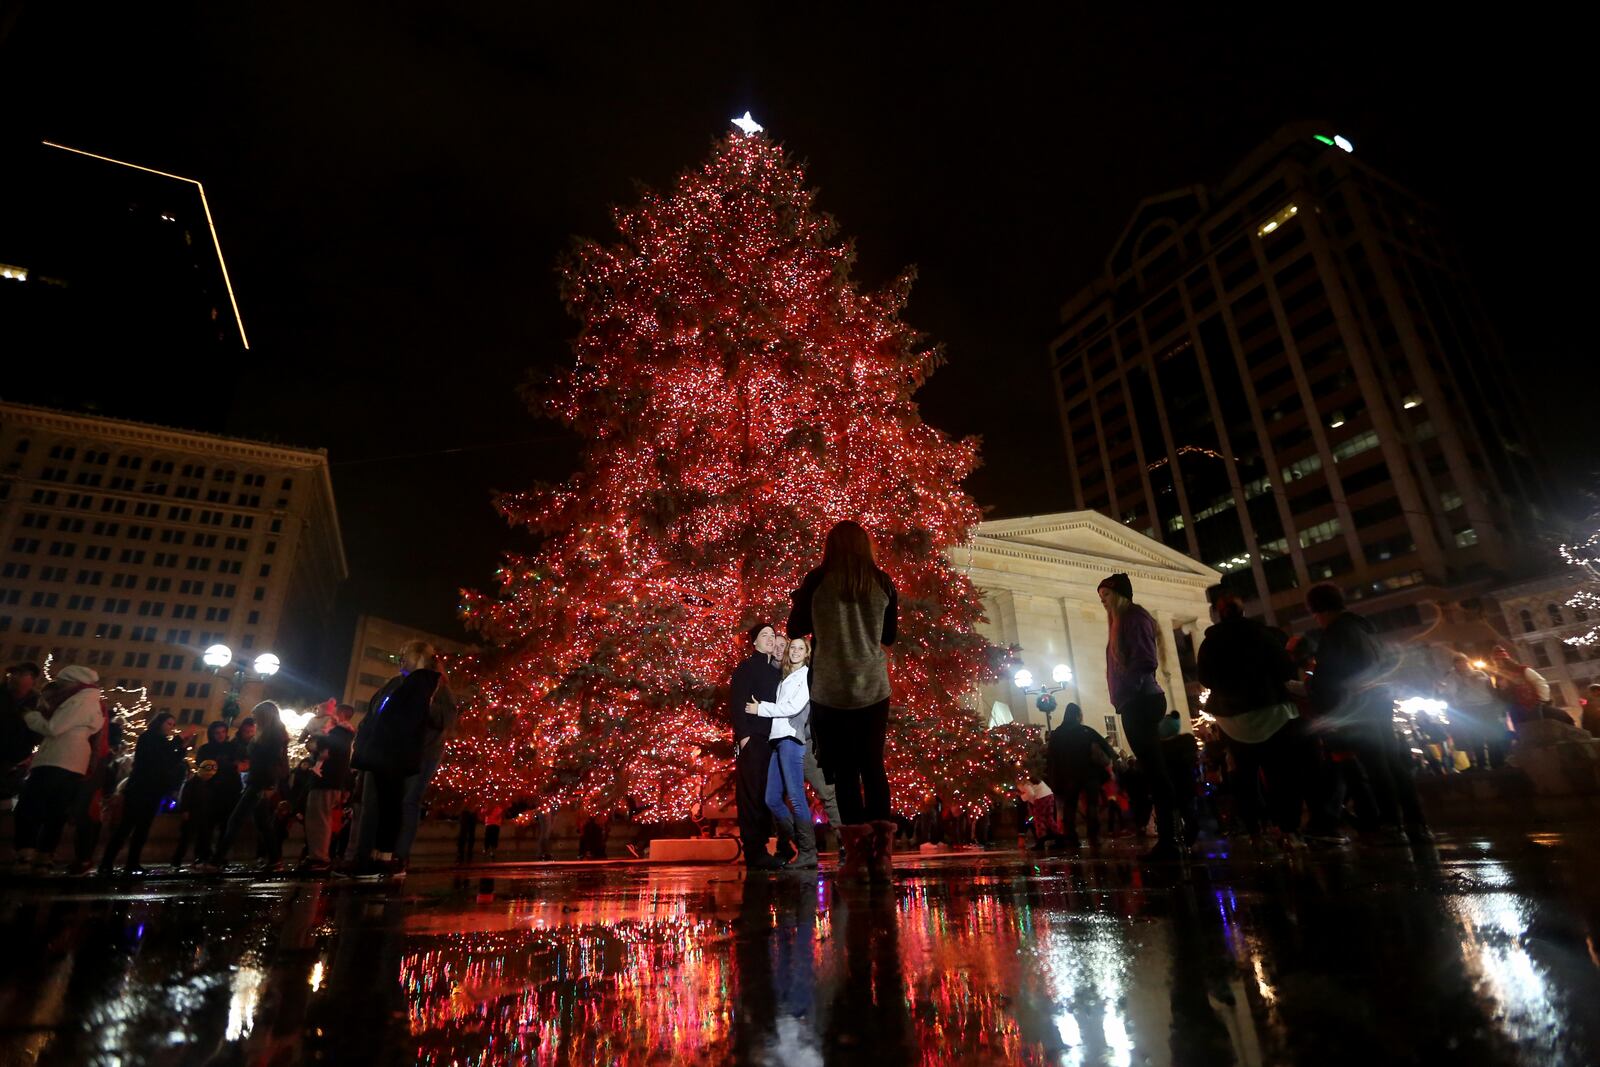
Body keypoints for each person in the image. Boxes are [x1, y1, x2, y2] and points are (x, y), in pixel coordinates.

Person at [787, 520, 899, 881]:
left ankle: (856, 856)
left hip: (830, 690)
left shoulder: (817, 581)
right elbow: (889, 636)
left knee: (845, 772)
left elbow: (794, 628)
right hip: (872, 687)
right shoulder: (882, 582)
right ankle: (882, 854)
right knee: (873, 766)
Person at [1304, 583, 1431, 845]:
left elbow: (1327, 678)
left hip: (1358, 707)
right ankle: (1416, 822)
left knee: (1376, 765)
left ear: (1318, 610)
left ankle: (1391, 824)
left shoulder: (1335, 634)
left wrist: (1318, 696)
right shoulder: (1364, 629)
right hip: (1379, 702)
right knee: (1393, 761)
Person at [1197, 587, 1305, 847]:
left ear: (1218, 614)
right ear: (1242, 609)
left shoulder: (1211, 642)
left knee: (1245, 778)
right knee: (1280, 774)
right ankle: (1289, 829)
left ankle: (1256, 831)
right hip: (1271, 711)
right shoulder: (1263, 634)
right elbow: (1286, 668)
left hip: (1234, 719)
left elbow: (1205, 678)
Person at [1098, 572, 1183, 860]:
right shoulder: (1123, 621)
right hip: (1135, 700)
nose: (1103, 602)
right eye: (1100, 598)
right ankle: (1173, 833)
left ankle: (1170, 838)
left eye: (1106, 596)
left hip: (1140, 700)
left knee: (1155, 771)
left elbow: (1145, 659)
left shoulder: (1133, 618)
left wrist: (1129, 691)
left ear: (1119, 595)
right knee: (1154, 769)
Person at [349, 640, 443, 877]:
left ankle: (391, 858)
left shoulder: (430, 685)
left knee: (399, 804)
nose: (400, 659)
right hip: (381, 752)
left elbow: (440, 721)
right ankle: (366, 857)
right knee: (372, 804)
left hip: (402, 754)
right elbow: (374, 716)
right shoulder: (394, 684)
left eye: (405, 655)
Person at [11, 665, 105, 872]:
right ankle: (44, 856)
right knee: (55, 811)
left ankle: (26, 854)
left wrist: (30, 717)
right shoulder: (92, 701)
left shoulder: (79, 700)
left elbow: (54, 728)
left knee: (29, 806)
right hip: (73, 761)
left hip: (57, 758)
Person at [747, 635, 820, 869]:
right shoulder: (786, 678)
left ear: (807, 653)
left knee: (797, 798)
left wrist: (761, 709)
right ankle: (802, 842)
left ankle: (808, 851)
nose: (796, 651)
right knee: (771, 799)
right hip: (777, 740)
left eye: (801, 648)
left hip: (791, 739)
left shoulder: (806, 676)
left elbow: (793, 708)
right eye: (793, 648)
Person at [98, 711, 187, 876]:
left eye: (173, 725)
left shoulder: (160, 741)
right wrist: (177, 743)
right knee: (126, 827)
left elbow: (168, 762)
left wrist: (180, 749)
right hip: (140, 789)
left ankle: (131, 862)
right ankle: (107, 862)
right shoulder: (149, 738)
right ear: (159, 723)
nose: (171, 727)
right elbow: (157, 760)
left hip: (153, 790)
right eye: (169, 723)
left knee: (142, 829)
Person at [210, 701, 291, 870]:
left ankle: (217, 860)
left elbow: (270, 763)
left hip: (258, 783)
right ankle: (275, 860)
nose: (254, 721)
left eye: (256, 717)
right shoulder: (271, 735)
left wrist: (267, 785)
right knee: (263, 823)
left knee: (235, 820)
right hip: (258, 781)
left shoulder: (272, 737)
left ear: (264, 717)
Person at [728, 623, 783, 870]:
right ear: (754, 642)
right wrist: (744, 737)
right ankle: (754, 851)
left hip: (773, 741)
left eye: (773, 634)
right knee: (751, 795)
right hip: (754, 740)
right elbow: (737, 702)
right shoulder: (747, 668)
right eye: (765, 635)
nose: (770, 638)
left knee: (768, 796)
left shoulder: (776, 671)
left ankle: (765, 849)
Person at [396, 665, 459, 865]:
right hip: (407, 750)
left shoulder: (441, 689)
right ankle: (391, 851)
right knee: (401, 800)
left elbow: (446, 718)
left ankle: (400, 855)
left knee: (409, 800)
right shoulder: (405, 684)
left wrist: (425, 704)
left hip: (426, 751)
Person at [1045, 702, 1118, 848]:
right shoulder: (1085, 731)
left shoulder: (1057, 734)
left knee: (1070, 806)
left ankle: (1071, 837)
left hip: (1068, 775)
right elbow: (1107, 747)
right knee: (1092, 805)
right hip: (1089, 773)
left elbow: (1050, 756)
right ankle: (1094, 836)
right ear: (1078, 716)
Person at [300, 703, 354, 874]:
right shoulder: (341, 733)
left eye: (333, 712)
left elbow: (328, 748)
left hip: (327, 780)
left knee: (319, 819)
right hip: (329, 780)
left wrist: (316, 744)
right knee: (319, 818)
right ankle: (317, 855)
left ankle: (319, 857)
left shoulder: (340, 732)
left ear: (341, 714)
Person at [1439, 654, 1502, 769]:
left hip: (1487, 706)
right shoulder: (1452, 678)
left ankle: (1497, 762)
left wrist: (1495, 703)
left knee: (1492, 736)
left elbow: (1490, 688)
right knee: (1476, 738)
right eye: (1459, 663)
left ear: (1467, 662)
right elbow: (1449, 692)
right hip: (1469, 708)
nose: (1462, 665)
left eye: (1464, 662)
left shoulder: (1479, 673)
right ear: (1455, 665)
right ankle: (1481, 763)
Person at [1, 662, 43, 801]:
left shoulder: (38, 703)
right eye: (13, 673)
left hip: (15, 759)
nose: (14, 677)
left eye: (21, 674)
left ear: (32, 680)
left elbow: (39, 732)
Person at [170, 756, 220, 867]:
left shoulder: (207, 783)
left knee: (203, 838)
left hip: (203, 815)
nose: (209, 777)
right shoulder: (193, 783)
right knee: (186, 839)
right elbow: (186, 797)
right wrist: (185, 811)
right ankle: (177, 860)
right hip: (193, 814)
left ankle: (201, 858)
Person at [1488, 646, 1550, 726]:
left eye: (1498, 660)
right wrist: (1503, 689)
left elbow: (1539, 682)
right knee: (1521, 730)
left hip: (1530, 705)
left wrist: (1542, 700)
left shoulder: (1522, 670)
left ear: (1506, 660)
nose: (1497, 663)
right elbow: (1501, 695)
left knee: (1536, 728)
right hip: (1514, 708)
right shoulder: (1497, 676)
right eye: (1495, 661)